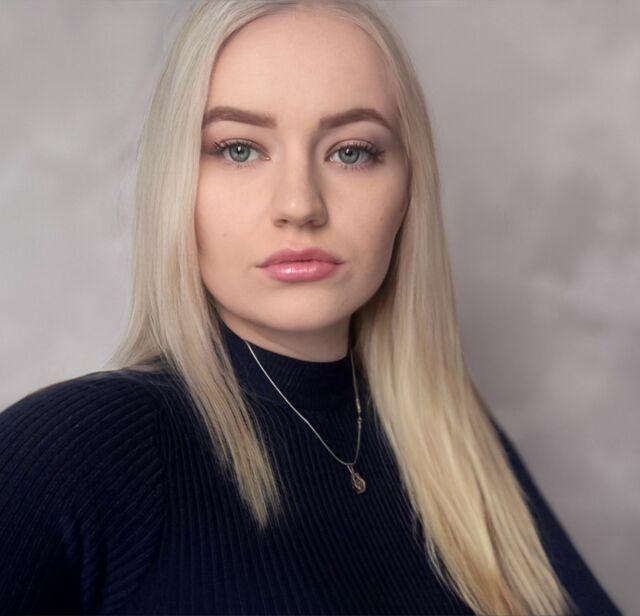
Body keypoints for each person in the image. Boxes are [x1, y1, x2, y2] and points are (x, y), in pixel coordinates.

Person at [0, 0, 621, 614]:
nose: (300, 205)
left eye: (351, 151)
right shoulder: (70, 454)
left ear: (410, 188)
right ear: (175, 182)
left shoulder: (456, 442)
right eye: (239, 149)